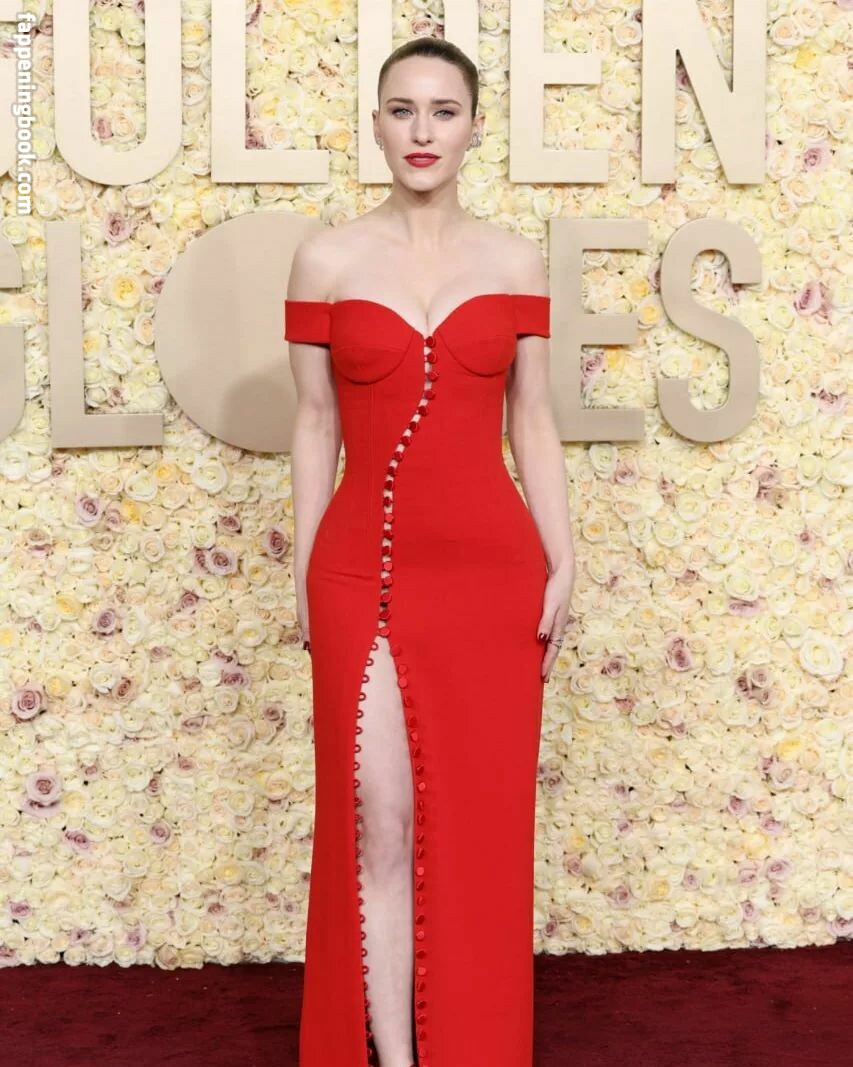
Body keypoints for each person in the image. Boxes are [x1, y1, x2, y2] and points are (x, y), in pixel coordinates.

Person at [284, 35, 574, 1067]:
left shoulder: (515, 260)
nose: (421, 131)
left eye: (442, 112)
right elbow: (314, 422)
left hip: (494, 575)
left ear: (473, 129)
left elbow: (532, 418)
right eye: (402, 110)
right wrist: (304, 574)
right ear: (375, 125)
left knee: (478, 824)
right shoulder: (325, 260)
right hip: (359, 569)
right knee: (382, 819)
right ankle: (396, 1057)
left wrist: (564, 558)